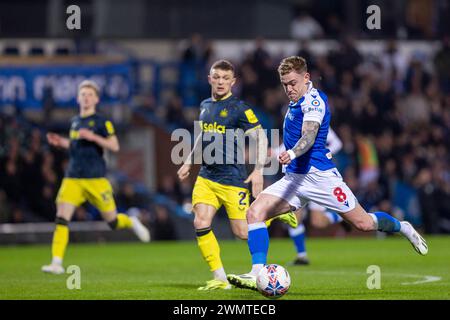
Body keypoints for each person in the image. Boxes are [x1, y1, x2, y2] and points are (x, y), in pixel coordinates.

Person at [227, 56, 428, 290]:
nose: (288, 89)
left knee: (363, 223)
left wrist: (292, 154)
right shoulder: (292, 104)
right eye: (284, 84)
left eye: (292, 83)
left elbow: (309, 136)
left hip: (321, 178)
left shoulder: (314, 101)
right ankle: (256, 273)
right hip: (294, 180)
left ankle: (402, 227)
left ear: (306, 78)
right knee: (255, 213)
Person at [177, 60, 296, 291]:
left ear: (233, 82)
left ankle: (273, 212)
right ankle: (220, 278)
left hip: (233, 179)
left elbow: (261, 138)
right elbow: (202, 137)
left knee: (243, 232)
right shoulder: (204, 106)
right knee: (200, 222)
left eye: (225, 78)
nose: (220, 82)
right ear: (210, 79)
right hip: (206, 178)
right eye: (216, 77)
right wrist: (189, 161)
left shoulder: (240, 109)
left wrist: (258, 170)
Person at [41, 80, 150, 275]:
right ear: (78, 98)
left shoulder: (101, 122)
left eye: (90, 95)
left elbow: (115, 146)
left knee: (113, 222)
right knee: (61, 218)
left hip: (96, 179)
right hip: (73, 177)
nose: (86, 98)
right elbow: (75, 147)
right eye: (83, 94)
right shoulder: (75, 121)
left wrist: (94, 137)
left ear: (96, 99)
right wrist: (62, 142)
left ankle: (132, 221)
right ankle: (56, 262)